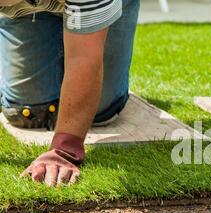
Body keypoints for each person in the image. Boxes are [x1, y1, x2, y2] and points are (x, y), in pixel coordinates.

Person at [0, 0, 140, 186]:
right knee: (28, 113)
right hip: (26, 12)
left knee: (99, 110)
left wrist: (64, 148)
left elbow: (83, 59)